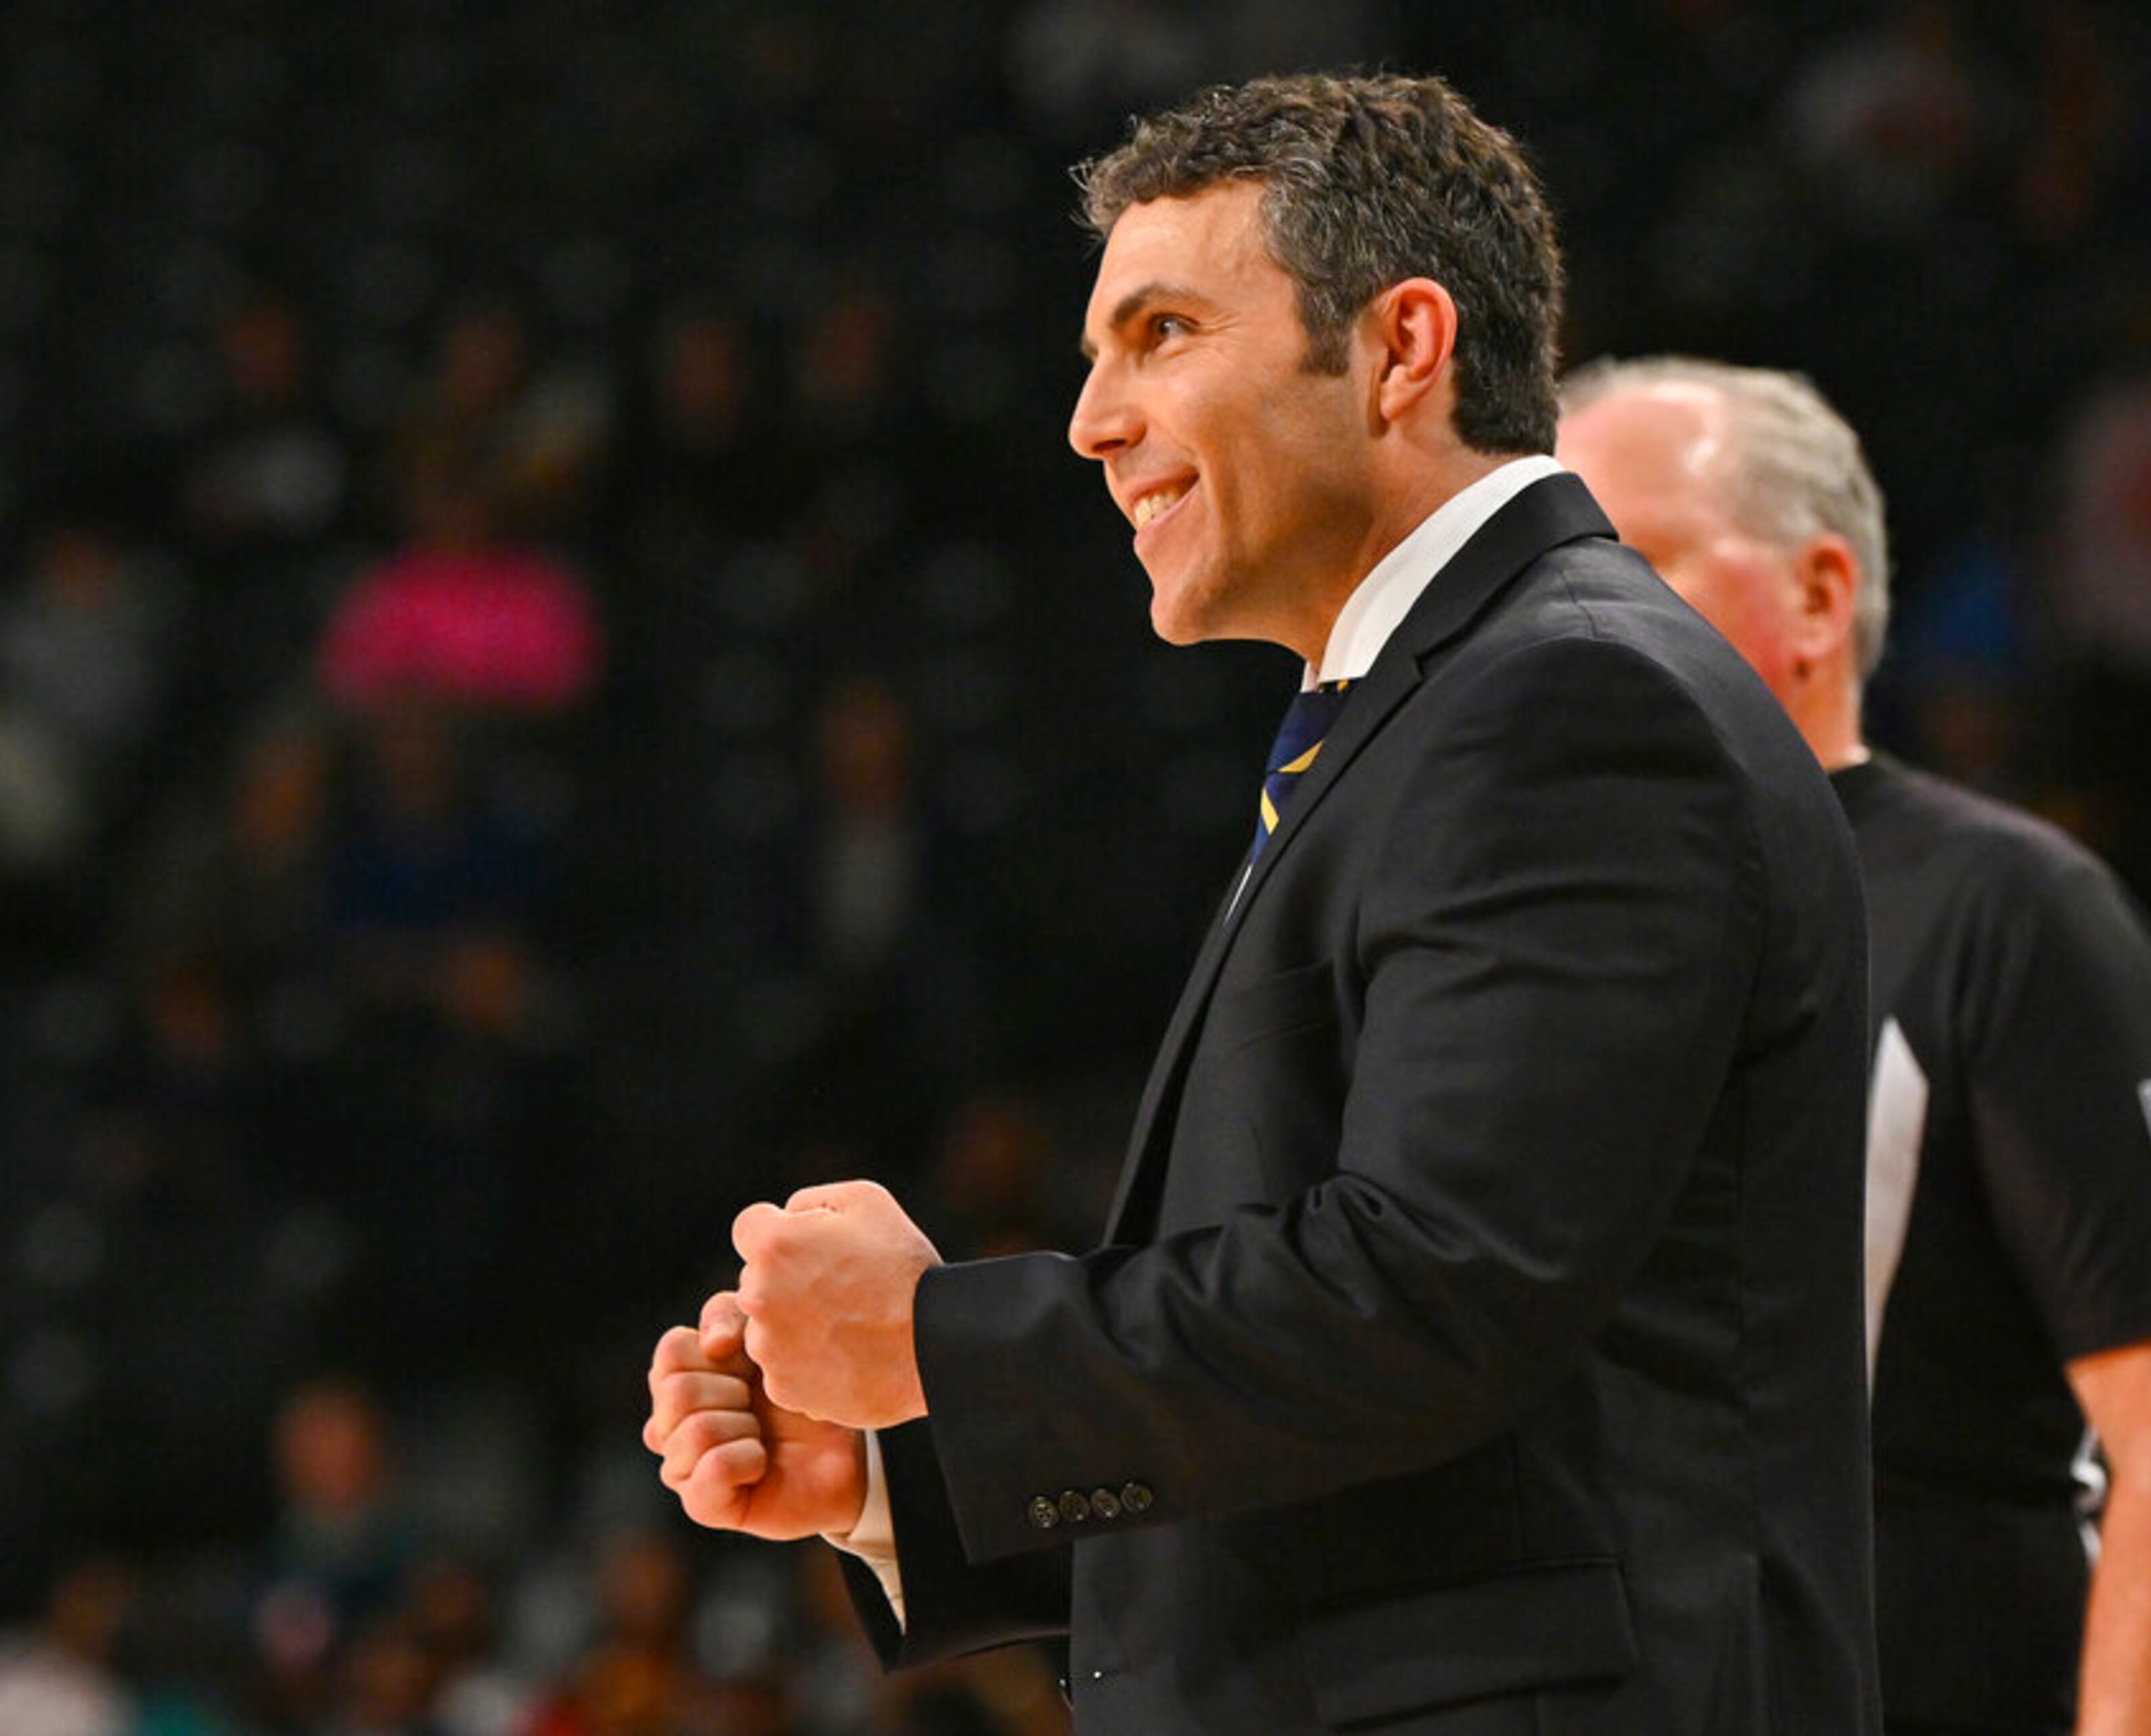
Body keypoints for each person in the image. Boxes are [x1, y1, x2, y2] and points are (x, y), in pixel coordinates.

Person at [647, 73, 1880, 1735]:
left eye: (1160, 334)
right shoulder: (1439, 711)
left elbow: (1432, 1296)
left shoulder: (1568, 703)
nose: (1091, 421)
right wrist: (896, 1478)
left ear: (1401, 349)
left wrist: (942, 1341)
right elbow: (1399, 1433)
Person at [1556, 355, 2151, 1736]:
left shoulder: (2009, 908)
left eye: (1627, 564)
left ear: (1819, 597)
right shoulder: (1505, 934)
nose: (1561, 626)